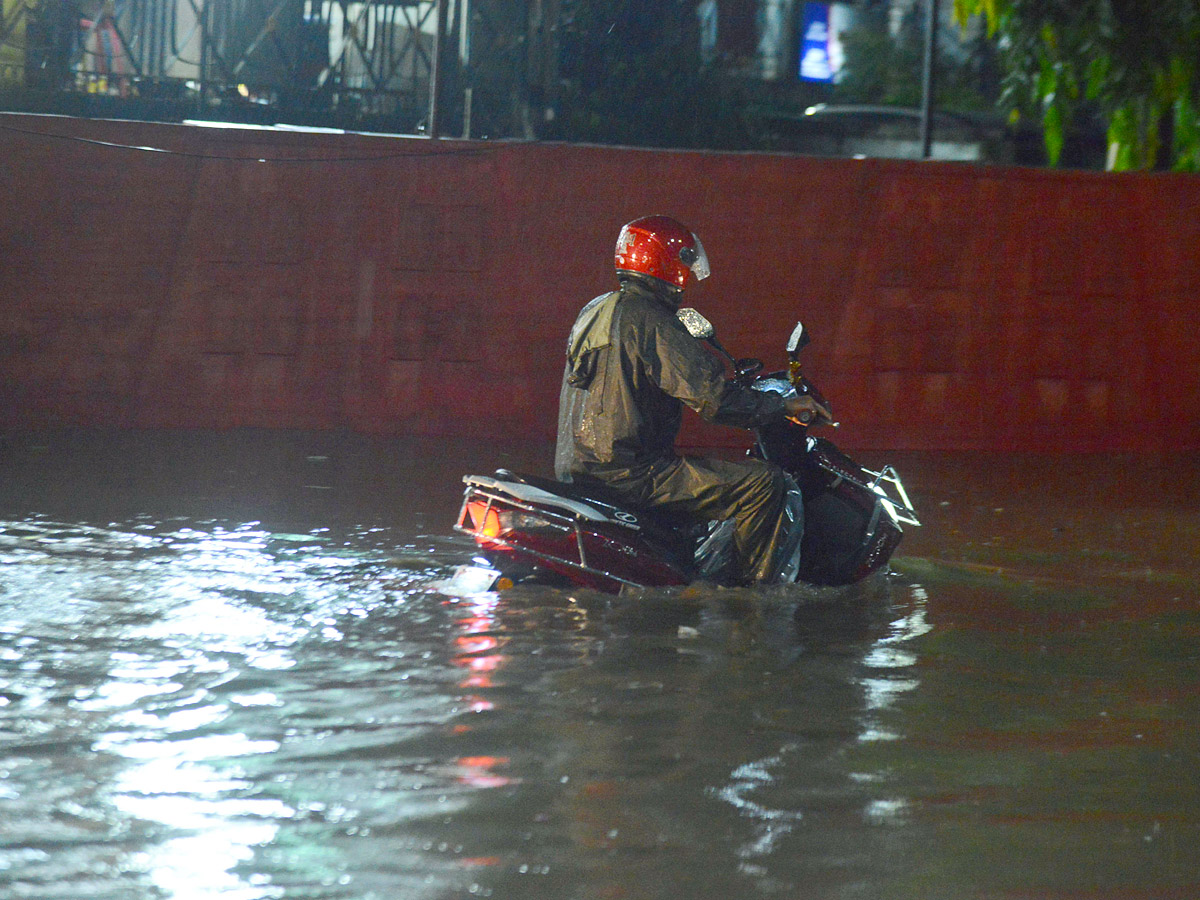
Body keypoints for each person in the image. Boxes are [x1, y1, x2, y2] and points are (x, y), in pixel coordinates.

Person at [554, 215, 829, 585]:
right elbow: (713, 399)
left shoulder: (597, 309)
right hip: (631, 474)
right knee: (764, 484)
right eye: (683, 260)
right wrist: (782, 406)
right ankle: (751, 601)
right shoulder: (651, 319)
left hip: (579, 467)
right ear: (665, 262)